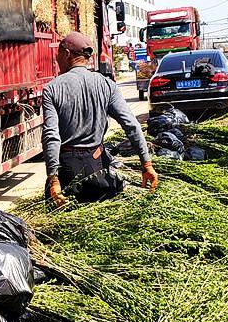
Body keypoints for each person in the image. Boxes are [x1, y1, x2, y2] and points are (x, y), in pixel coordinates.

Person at [42, 32, 158, 205]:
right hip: (98, 167)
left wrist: (54, 179)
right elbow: (132, 125)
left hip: (67, 172)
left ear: (66, 54)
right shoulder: (106, 85)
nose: (56, 59)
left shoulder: (52, 89)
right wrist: (146, 164)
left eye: (58, 53)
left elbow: (51, 136)